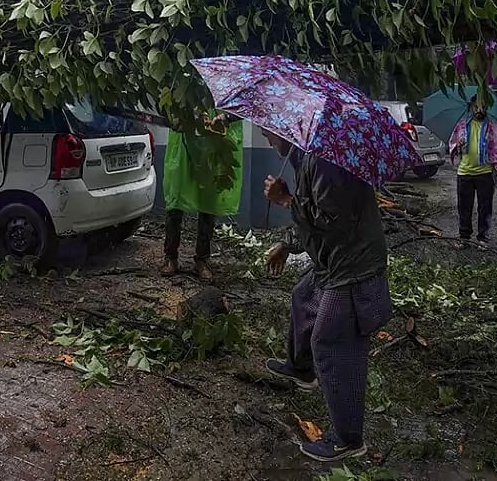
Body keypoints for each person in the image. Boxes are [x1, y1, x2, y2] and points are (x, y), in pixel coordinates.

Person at [261, 129, 393, 463]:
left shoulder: (325, 161)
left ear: (286, 130)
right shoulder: (308, 157)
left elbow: (331, 220)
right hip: (333, 259)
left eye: (268, 132)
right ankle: (301, 368)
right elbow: (313, 213)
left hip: (353, 264)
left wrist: (285, 200)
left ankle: (349, 440)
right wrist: (288, 245)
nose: (266, 139)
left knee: (332, 342)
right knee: (303, 296)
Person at [162, 112, 243, 281]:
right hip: (184, 141)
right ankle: (170, 256)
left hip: (213, 142)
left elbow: (243, 105)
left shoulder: (231, 86)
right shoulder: (184, 84)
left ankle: (202, 260)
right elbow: (168, 104)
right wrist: (177, 117)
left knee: (209, 202)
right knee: (176, 197)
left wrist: (225, 118)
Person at [447, 93, 497, 249]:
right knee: (464, 207)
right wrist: (458, 145)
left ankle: (483, 238)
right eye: (476, 107)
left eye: (482, 107)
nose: (479, 110)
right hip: (464, 172)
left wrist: (496, 168)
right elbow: (452, 144)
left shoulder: (493, 126)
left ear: (487, 108)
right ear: (471, 107)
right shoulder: (462, 125)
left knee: (485, 207)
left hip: (485, 172)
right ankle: (464, 237)